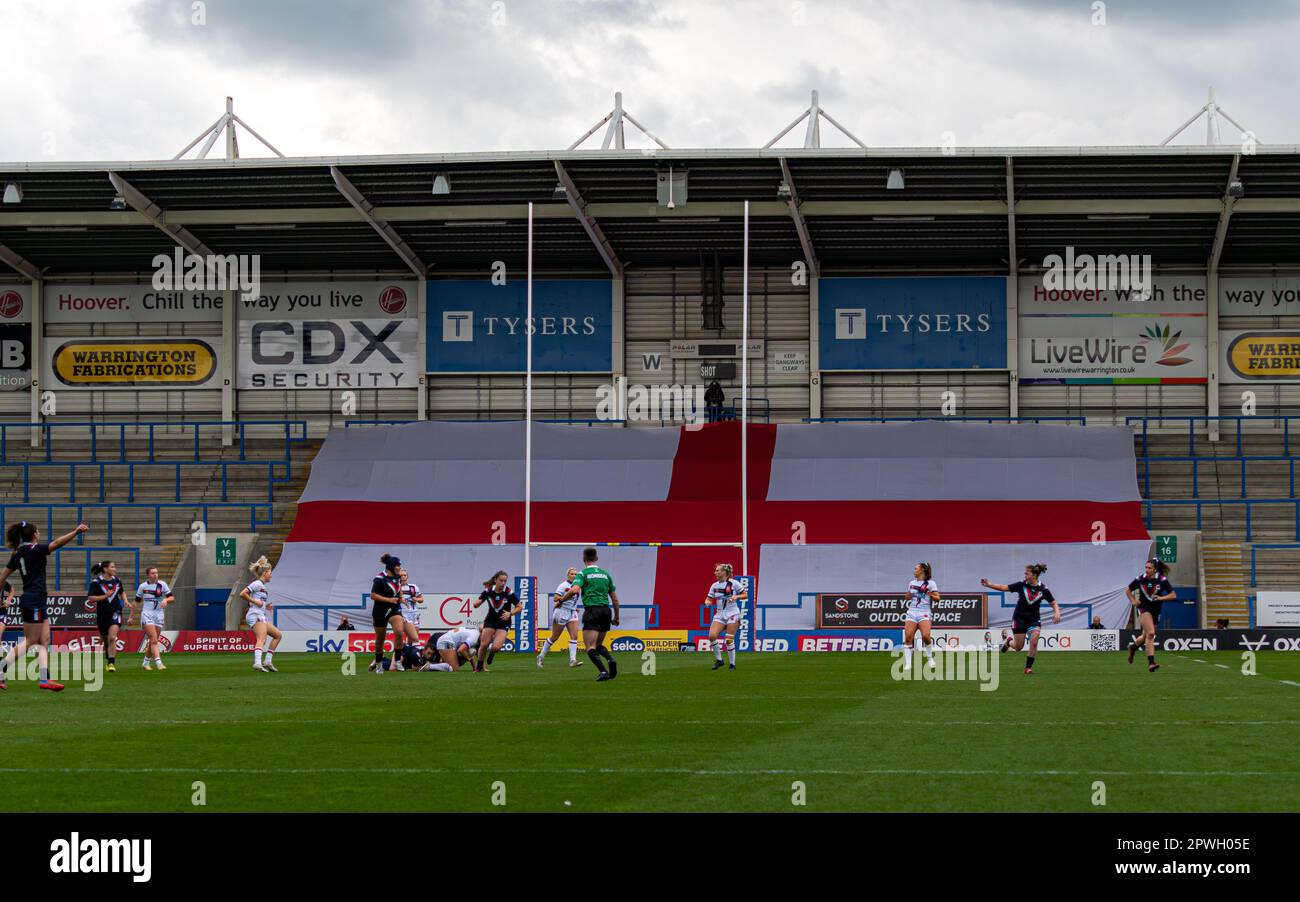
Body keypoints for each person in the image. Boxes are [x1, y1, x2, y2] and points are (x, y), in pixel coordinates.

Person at [0, 520, 89, 692]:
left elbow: (2, 577)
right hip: (33, 600)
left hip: (36, 599)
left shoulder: (17, 553)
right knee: (31, 640)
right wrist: (76, 531)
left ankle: (44, 678)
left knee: (44, 640)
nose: (39, 533)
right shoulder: (35, 550)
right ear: (34, 535)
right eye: (38, 531)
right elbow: (56, 543)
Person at [982, 563, 1061, 675]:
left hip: (1034, 620)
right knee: (1018, 647)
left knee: (1034, 641)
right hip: (1019, 619)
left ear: (1034, 575)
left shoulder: (1043, 589)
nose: (1024, 576)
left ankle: (1028, 668)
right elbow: (1004, 587)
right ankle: (1009, 642)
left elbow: (1053, 602)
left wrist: (1057, 612)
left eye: (1026, 574)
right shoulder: (1021, 585)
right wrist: (988, 584)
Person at [555, 547, 621, 682]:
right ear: (596, 559)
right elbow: (615, 599)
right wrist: (616, 617)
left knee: (590, 647)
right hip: (606, 611)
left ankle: (603, 671)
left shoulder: (582, 574)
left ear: (583, 559)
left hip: (592, 610)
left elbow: (574, 590)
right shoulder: (606, 574)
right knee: (598, 644)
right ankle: (610, 659)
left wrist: (561, 600)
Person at [1127, 559, 1176, 673]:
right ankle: (1151, 662)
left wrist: (1161, 598)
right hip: (1143, 609)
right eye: (1146, 567)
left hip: (1156, 610)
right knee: (1151, 634)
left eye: (1149, 568)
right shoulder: (1140, 579)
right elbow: (1127, 590)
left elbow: (1173, 595)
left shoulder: (1162, 580)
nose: (1147, 570)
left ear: (1155, 569)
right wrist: (1134, 601)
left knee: (1145, 637)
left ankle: (1133, 647)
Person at [240, 556, 283, 672]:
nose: (271, 575)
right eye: (270, 572)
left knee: (278, 635)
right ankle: (257, 663)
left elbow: (259, 601)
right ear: (264, 573)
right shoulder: (257, 584)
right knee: (261, 639)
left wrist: (265, 605)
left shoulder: (262, 586)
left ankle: (267, 661)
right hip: (255, 615)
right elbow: (242, 593)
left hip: (260, 614)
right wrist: (255, 602)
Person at [473, 571, 521, 673]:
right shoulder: (488, 591)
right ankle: (479, 667)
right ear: (495, 580)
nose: (503, 583)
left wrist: (510, 614)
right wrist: (476, 604)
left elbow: (519, 607)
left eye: (505, 581)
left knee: (496, 647)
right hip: (490, 621)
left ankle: (492, 653)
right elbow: (477, 603)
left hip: (503, 622)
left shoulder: (509, 592)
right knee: (484, 644)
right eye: (501, 580)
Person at [537, 567, 583, 669]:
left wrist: (575, 608)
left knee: (574, 636)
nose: (574, 576)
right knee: (555, 637)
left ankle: (572, 660)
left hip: (572, 612)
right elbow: (555, 598)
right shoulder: (564, 585)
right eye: (572, 574)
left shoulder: (578, 586)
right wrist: (565, 598)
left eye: (576, 574)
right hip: (561, 612)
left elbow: (574, 600)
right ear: (568, 575)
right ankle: (541, 656)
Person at [704, 563, 747, 671]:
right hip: (720, 614)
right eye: (716, 570)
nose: (715, 572)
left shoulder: (734, 583)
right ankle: (719, 660)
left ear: (724, 572)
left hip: (733, 613)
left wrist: (736, 596)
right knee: (712, 636)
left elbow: (745, 595)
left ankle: (732, 664)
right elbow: (708, 598)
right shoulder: (714, 585)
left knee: (728, 639)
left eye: (718, 570)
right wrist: (707, 602)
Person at [368, 554, 407, 673]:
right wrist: (389, 599)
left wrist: (401, 597)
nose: (399, 568)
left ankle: (397, 660)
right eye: (398, 566)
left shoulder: (398, 577)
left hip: (394, 609)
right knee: (380, 639)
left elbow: (399, 588)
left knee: (399, 632)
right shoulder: (379, 579)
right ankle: (379, 663)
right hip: (380, 611)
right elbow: (373, 595)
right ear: (391, 566)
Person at [88, 560, 128, 672]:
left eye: (114, 567)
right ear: (105, 569)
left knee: (112, 637)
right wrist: (105, 596)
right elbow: (91, 598)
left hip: (116, 611)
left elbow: (122, 591)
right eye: (112, 567)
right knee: (106, 640)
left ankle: (111, 663)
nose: (115, 569)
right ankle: (108, 657)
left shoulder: (117, 580)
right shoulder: (96, 582)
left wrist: (125, 600)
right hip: (102, 614)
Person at [135, 567, 174, 671]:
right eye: (153, 573)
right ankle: (159, 663)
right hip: (147, 614)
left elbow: (172, 597)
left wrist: (166, 600)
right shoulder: (142, 586)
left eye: (156, 573)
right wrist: (131, 616)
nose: (155, 575)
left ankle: (145, 663)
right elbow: (137, 601)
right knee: (154, 639)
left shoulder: (162, 584)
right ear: (148, 575)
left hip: (159, 614)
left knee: (154, 641)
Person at [902, 562, 939, 672]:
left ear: (922, 570)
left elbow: (938, 598)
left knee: (926, 636)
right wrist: (909, 595)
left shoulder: (931, 583)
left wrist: (929, 593)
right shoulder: (912, 583)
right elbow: (907, 597)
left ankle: (929, 657)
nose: (914, 571)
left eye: (916, 569)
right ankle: (908, 664)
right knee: (908, 637)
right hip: (912, 612)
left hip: (924, 612)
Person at [396, 567, 425, 657]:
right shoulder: (396, 587)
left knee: (413, 637)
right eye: (401, 575)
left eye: (405, 575)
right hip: (403, 614)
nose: (403, 577)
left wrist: (416, 599)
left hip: (414, 613)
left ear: (407, 577)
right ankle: (413, 656)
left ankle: (409, 656)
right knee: (414, 637)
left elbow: (421, 599)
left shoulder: (413, 587)